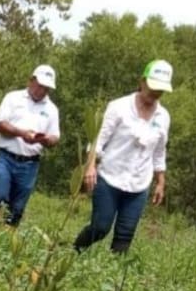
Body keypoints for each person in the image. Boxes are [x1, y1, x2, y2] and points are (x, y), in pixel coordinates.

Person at [74, 60, 173, 253]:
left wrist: (160, 182)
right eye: (153, 87)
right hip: (110, 177)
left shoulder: (163, 116)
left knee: (125, 234)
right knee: (100, 228)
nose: (155, 93)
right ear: (142, 81)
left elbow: (160, 151)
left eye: (160, 90)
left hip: (139, 184)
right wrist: (90, 166)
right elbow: (98, 140)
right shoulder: (118, 107)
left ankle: (112, 279)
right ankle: (73, 251)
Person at [0, 64, 61, 227]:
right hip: (6, 157)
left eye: (46, 88)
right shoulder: (13, 98)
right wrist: (22, 133)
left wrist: (47, 140)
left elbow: (55, 136)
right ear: (31, 81)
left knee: (17, 209)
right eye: (40, 86)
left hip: (30, 163)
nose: (42, 91)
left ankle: (6, 240)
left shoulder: (52, 110)